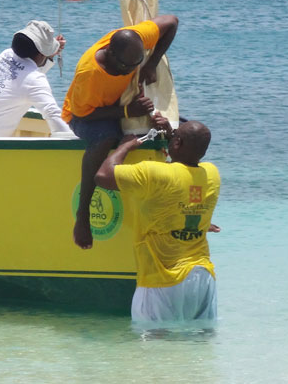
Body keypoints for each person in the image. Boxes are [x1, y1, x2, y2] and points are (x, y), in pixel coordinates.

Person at [61, 15, 179, 249]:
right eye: (126, 67)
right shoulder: (90, 73)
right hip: (87, 114)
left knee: (179, 130)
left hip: (121, 105)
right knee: (106, 138)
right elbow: (82, 114)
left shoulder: (136, 38)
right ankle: (83, 215)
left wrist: (151, 62)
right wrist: (126, 111)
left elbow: (172, 22)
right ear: (111, 55)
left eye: (136, 63)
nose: (130, 70)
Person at [94, 113, 221, 322]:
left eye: (175, 138)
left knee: (153, 348)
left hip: (162, 279)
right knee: (198, 346)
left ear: (178, 143)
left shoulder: (154, 174)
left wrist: (125, 146)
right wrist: (174, 136)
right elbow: (182, 178)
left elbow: (103, 176)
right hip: (203, 277)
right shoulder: (212, 174)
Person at [0, 20, 72, 137]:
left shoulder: (5, 55)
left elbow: (26, 73)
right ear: (41, 53)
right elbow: (52, 113)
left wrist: (47, 53)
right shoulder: (34, 80)